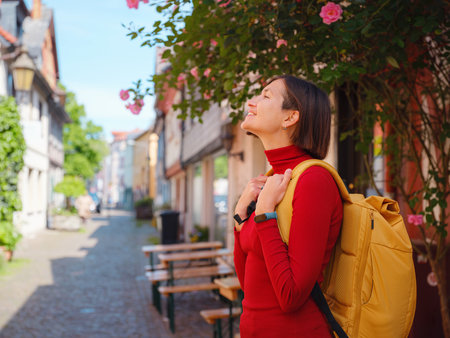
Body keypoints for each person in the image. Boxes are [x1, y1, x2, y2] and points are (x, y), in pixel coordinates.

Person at [234, 75, 343, 337]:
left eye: (266, 96)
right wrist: (240, 215)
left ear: (290, 118)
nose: (252, 102)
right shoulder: (271, 180)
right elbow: (247, 284)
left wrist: (264, 216)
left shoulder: (313, 181)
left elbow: (291, 296)